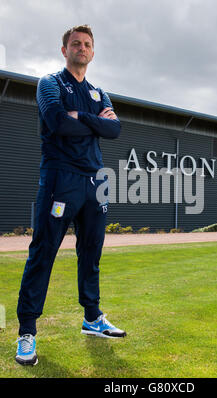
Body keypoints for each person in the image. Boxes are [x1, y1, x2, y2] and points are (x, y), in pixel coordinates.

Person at [15, 25, 126, 366]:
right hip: (60, 178)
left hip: (95, 180)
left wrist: (83, 117)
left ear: (93, 53)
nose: (81, 48)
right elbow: (57, 122)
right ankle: (27, 331)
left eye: (87, 44)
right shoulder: (50, 83)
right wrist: (95, 122)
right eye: (75, 43)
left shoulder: (97, 92)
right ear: (64, 50)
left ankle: (92, 318)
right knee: (43, 251)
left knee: (91, 251)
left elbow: (115, 129)